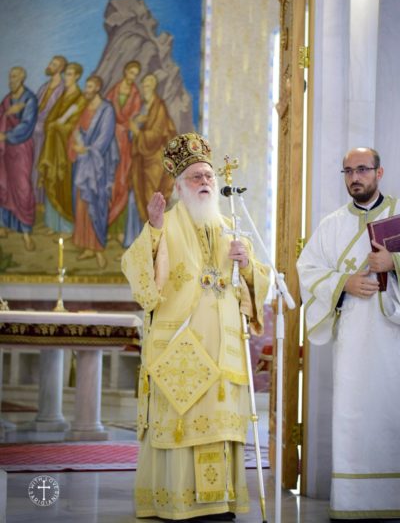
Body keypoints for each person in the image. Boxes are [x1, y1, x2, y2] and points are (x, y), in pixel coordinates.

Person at [122, 132, 269, 521]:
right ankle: (178, 502)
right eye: (195, 177)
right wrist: (153, 230)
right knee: (182, 423)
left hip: (223, 351)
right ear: (178, 187)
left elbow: (258, 284)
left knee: (220, 426)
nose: (204, 181)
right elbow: (139, 275)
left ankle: (219, 502)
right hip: (180, 347)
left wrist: (247, 265)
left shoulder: (231, 227)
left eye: (208, 175)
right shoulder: (165, 224)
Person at [297, 147, 400, 520]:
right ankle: (353, 502)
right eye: (348, 171)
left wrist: (393, 261)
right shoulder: (332, 225)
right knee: (353, 416)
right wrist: (344, 283)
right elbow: (307, 269)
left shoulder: (398, 216)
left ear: (379, 172)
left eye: (362, 169)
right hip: (354, 339)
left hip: (394, 340)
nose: (355, 177)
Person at [68, 75, 119, 269]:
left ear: (97, 87)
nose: (86, 90)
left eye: (89, 86)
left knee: (96, 203)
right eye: (86, 86)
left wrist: (88, 150)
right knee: (82, 203)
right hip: (83, 164)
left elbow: (105, 137)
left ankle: (97, 247)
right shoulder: (85, 108)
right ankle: (86, 246)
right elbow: (78, 129)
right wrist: (75, 139)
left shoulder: (106, 109)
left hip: (98, 166)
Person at [38, 62, 85, 236]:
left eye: (70, 74)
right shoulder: (63, 95)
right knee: (53, 181)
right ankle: (52, 224)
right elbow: (51, 119)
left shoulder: (80, 98)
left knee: (64, 183)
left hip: (66, 149)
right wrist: (53, 125)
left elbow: (76, 125)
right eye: (66, 74)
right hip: (54, 147)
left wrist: (59, 126)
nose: (66, 77)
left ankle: (66, 226)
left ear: (77, 76)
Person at [129, 73, 177, 225]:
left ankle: (153, 231)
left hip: (154, 160)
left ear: (153, 87)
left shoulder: (159, 107)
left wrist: (137, 131)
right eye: (143, 86)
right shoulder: (146, 107)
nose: (145, 89)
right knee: (141, 195)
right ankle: (146, 232)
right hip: (143, 159)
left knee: (151, 197)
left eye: (148, 86)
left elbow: (156, 135)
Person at [0, 66, 38, 251]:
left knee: (23, 187)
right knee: (5, 184)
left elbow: (27, 125)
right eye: (10, 76)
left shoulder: (29, 99)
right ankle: (5, 224)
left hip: (21, 148)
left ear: (22, 78)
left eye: (14, 76)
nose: (11, 79)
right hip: (5, 149)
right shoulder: (7, 100)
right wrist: (7, 114)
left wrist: (7, 135)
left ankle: (26, 232)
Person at [106, 60, 142, 244]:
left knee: (122, 183)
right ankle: (109, 228)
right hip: (111, 140)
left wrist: (128, 127)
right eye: (130, 72)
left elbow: (134, 119)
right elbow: (106, 112)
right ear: (125, 71)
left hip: (126, 143)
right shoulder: (114, 90)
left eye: (135, 74)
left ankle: (119, 228)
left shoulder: (135, 94)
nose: (132, 76)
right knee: (110, 184)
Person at [33, 55, 67, 204]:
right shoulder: (44, 87)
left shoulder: (63, 89)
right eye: (51, 63)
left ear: (60, 68)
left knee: (42, 166)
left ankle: (41, 200)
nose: (50, 66)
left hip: (49, 133)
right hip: (35, 130)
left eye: (54, 64)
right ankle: (34, 199)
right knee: (33, 165)